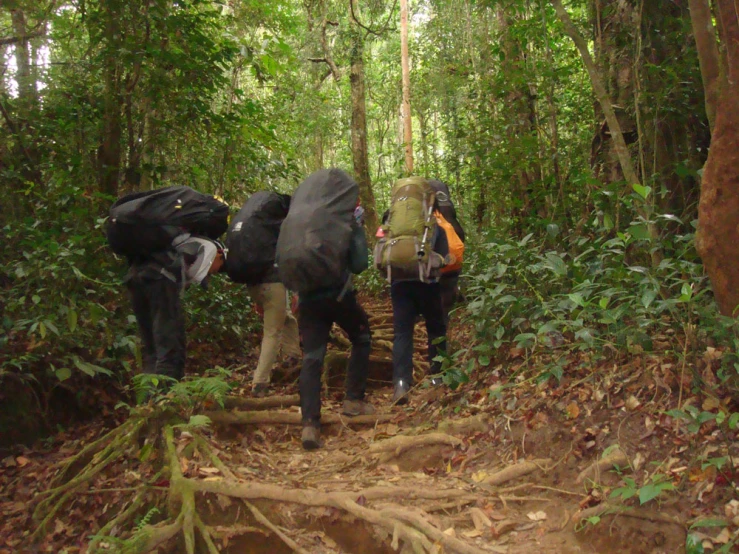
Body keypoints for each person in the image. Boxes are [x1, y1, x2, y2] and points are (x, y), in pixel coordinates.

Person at [297, 201, 374, 450]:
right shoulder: (346, 221)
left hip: (308, 300)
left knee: (312, 358)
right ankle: (353, 400)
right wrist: (357, 229)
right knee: (361, 337)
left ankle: (310, 424)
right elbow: (361, 263)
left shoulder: (304, 220)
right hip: (339, 296)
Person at [380, 193, 450, 405]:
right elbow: (443, 258)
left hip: (400, 285)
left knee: (402, 333)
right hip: (428, 285)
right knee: (436, 329)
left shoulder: (392, 222)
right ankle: (438, 377)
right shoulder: (432, 226)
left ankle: (401, 384)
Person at [125, 235, 225, 382]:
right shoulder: (209, 247)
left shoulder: (171, 238)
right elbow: (195, 276)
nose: (216, 271)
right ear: (220, 253)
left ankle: (148, 395)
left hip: (135, 278)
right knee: (168, 343)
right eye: (219, 267)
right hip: (160, 281)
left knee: (151, 345)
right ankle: (166, 395)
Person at [248, 280, 301, 396]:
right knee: (272, 334)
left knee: (286, 317)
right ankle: (260, 383)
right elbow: (287, 263)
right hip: (274, 285)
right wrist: (296, 291)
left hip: (257, 286)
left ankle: (293, 355)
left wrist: (258, 299)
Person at [428, 179, 465, 324]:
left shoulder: (425, 214)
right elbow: (460, 234)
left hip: (434, 263)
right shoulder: (448, 209)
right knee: (447, 291)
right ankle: (445, 325)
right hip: (453, 259)